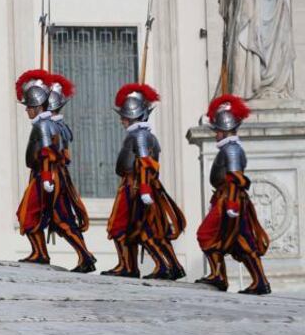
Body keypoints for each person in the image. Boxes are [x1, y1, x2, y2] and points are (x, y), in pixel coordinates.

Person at [14, 69, 96, 271]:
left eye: (30, 107)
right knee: (60, 217)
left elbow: (45, 154)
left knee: (29, 214)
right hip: (53, 176)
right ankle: (44, 253)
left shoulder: (42, 126)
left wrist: (46, 178)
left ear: (38, 106)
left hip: (46, 176)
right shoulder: (54, 124)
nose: (27, 111)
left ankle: (77, 255)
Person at [103, 84, 186, 279]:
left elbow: (144, 163)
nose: (121, 120)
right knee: (150, 229)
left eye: (124, 116)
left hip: (136, 187)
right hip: (141, 186)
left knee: (123, 227)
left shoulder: (139, 136)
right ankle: (170, 265)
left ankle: (131, 266)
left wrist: (145, 189)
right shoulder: (145, 135)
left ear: (132, 115)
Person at [196, 94, 271, 295]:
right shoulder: (229, 148)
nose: (216, 134)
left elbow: (235, 178)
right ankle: (222, 275)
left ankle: (255, 281)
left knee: (211, 235)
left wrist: (231, 205)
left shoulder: (231, 150)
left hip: (230, 201)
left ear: (225, 129)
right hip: (225, 199)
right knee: (238, 242)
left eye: (218, 130)